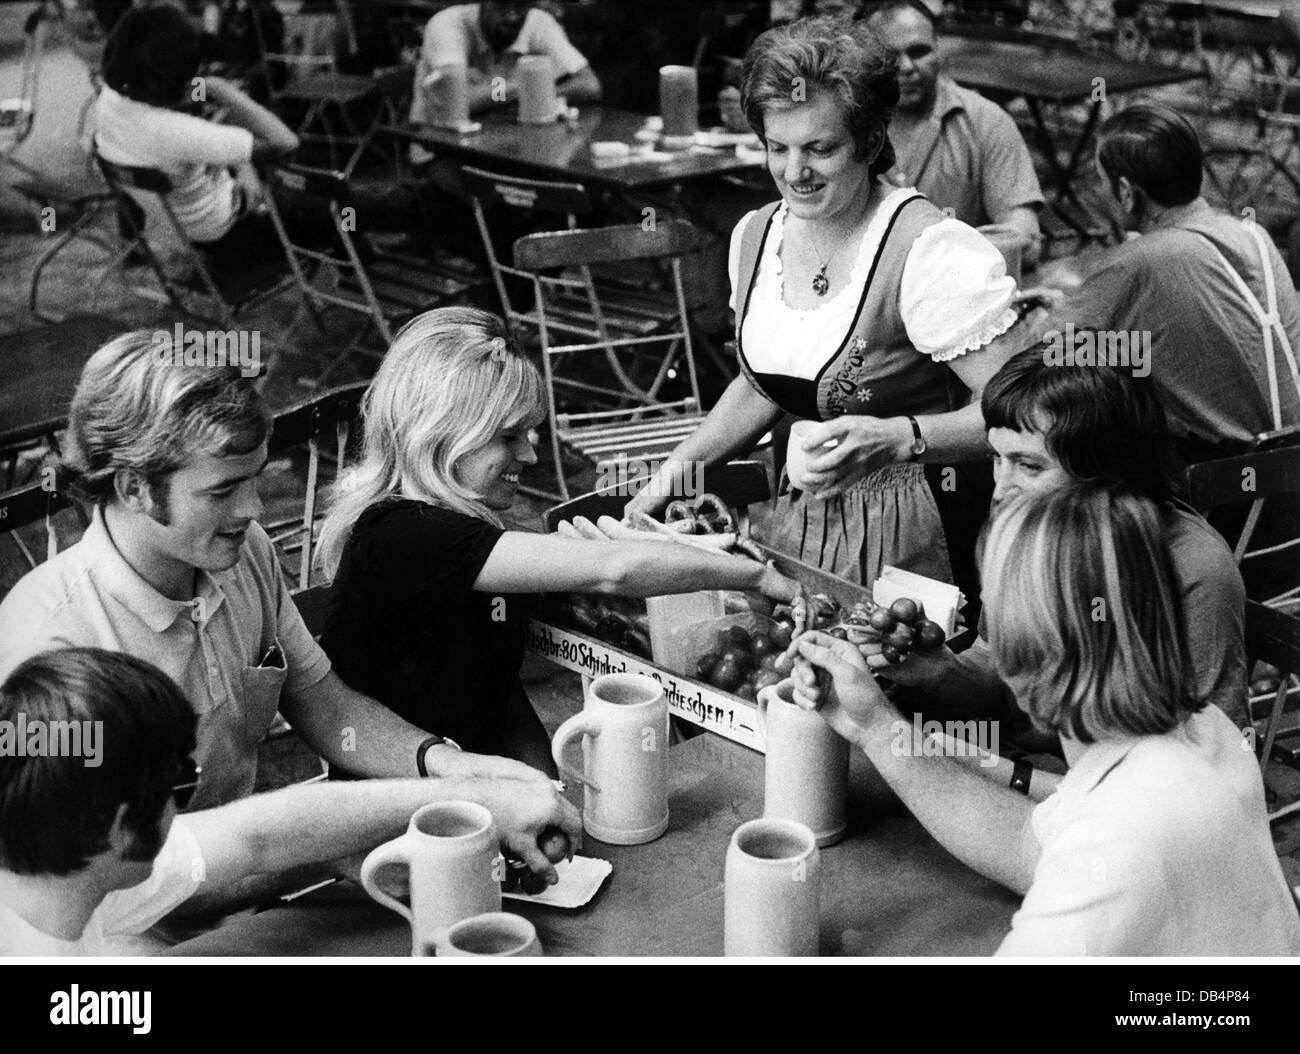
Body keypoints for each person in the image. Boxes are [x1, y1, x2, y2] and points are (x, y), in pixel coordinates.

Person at [0, 331, 552, 812]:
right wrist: (322, 843)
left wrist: (446, 766)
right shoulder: (49, 640)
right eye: (223, 490)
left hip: (250, 883)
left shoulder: (240, 553)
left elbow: (325, 705)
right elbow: (116, 875)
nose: (256, 510)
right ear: (133, 488)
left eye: (256, 479)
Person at [781, 485, 1300, 955]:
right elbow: (1026, 844)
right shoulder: (1202, 728)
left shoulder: (1116, 844)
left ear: (1021, 661)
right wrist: (873, 725)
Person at [630, 16, 1040, 606]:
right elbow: (761, 385)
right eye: (778, 148)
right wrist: (669, 480)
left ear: (870, 143)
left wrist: (899, 436)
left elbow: (1016, 413)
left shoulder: (929, 252)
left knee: (886, 684)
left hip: (916, 530)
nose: (794, 173)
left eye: (820, 148)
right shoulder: (755, 236)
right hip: (799, 517)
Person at [316, 308, 808, 774]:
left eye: (530, 434)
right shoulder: (404, 533)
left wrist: (547, 785)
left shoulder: (461, 531)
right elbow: (615, 569)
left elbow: (500, 695)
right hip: (409, 809)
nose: (530, 457)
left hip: (485, 789)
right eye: (509, 437)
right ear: (440, 435)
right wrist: (757, 574)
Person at [0, 648, 580, 955]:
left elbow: (261, 833)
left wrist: (485, 799)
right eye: (179, 786)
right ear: (124, 826)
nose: (189, 803)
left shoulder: (72, 863)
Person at [873, 348, 1249, 739]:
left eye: (1029, 466)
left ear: (1104, 466)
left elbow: (1209, 766)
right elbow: (999, 672)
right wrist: (941, 671)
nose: (1001, 489)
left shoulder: (1194, 571)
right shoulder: (1025, 523)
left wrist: (997, 771)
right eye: (996, 458)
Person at [1052, 103, 1300, 473]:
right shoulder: (1254, 234)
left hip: (1221, 486)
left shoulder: (1144, 260)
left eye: (1102, 181)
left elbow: (1047, 354)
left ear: (1126, 192)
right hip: (1285, 467)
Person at [92, 4, 301, 272]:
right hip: (231, 236)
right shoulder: (181, 132)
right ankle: (352, 261)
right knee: (345, 207)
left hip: (169, 229)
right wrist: (221, 89)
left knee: (229, 132)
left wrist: (202, 93)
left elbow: (183, 99)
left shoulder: (109, 99)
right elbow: (286, 142)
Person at [861, 0, 1043, 267]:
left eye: (919, 51)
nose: (907, 67)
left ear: (939, 49)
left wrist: (936, 259)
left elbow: (1026, 239)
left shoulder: (987, 122)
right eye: (889, 57)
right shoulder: (844, 123)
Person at [409, 1, 601, 123]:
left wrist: (528, 93)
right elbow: (458, 102)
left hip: (505, 140)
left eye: (520, 6)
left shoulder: (539, 22)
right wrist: (524, 87)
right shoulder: (448, 24)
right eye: (501, 5)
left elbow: (590, 86)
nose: (511, 16)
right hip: (439, 145)